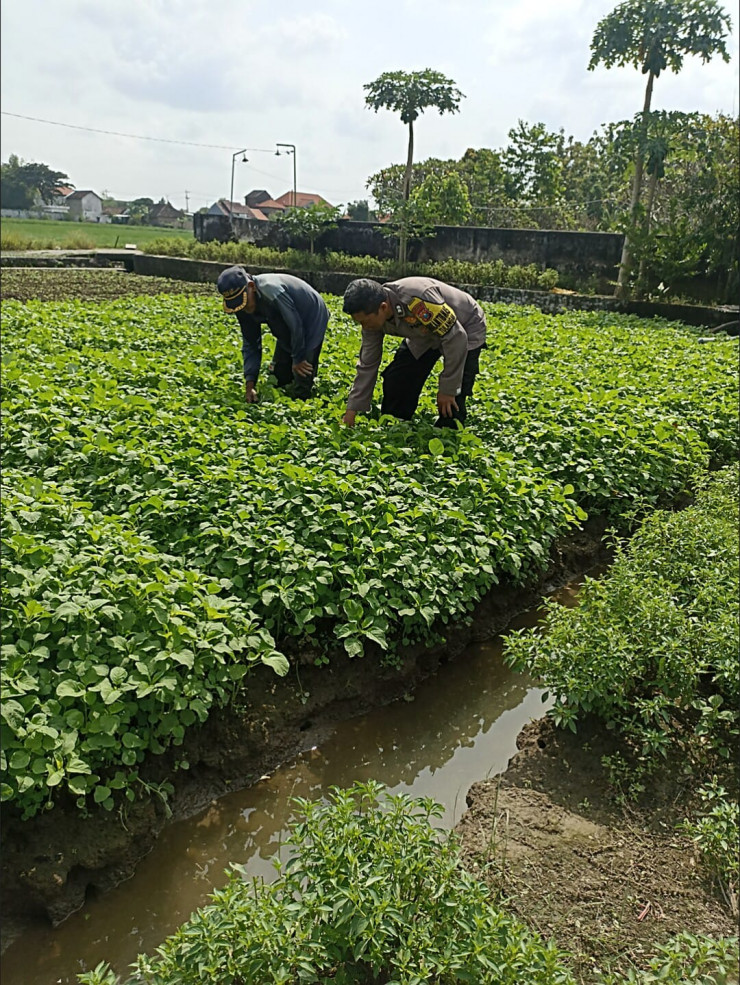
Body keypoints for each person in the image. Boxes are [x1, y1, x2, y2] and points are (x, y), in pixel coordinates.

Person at [341, 276, 487, 428]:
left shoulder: (416, 300)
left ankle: (448, 431)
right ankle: (397, 424)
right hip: (424, 334)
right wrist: (352, 410)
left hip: (465, 326)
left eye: (364, 322)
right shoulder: (371, 320)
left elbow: (456, 337)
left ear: (383, 307)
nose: (364, 327)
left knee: (454, 395)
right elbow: (367, 363)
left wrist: (448, 390)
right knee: (397, 378)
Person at [217, 265, 329, 402]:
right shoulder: (241, 307)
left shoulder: (271, 289)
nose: (243, 308)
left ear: (251, 287)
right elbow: (251, 344)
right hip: (283, 319)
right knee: (278, 376)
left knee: (302, 374)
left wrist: (299, 358)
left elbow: (295, 324)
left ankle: (303, 397)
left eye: (244, 302)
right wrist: (250, 384)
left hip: (311, 314)